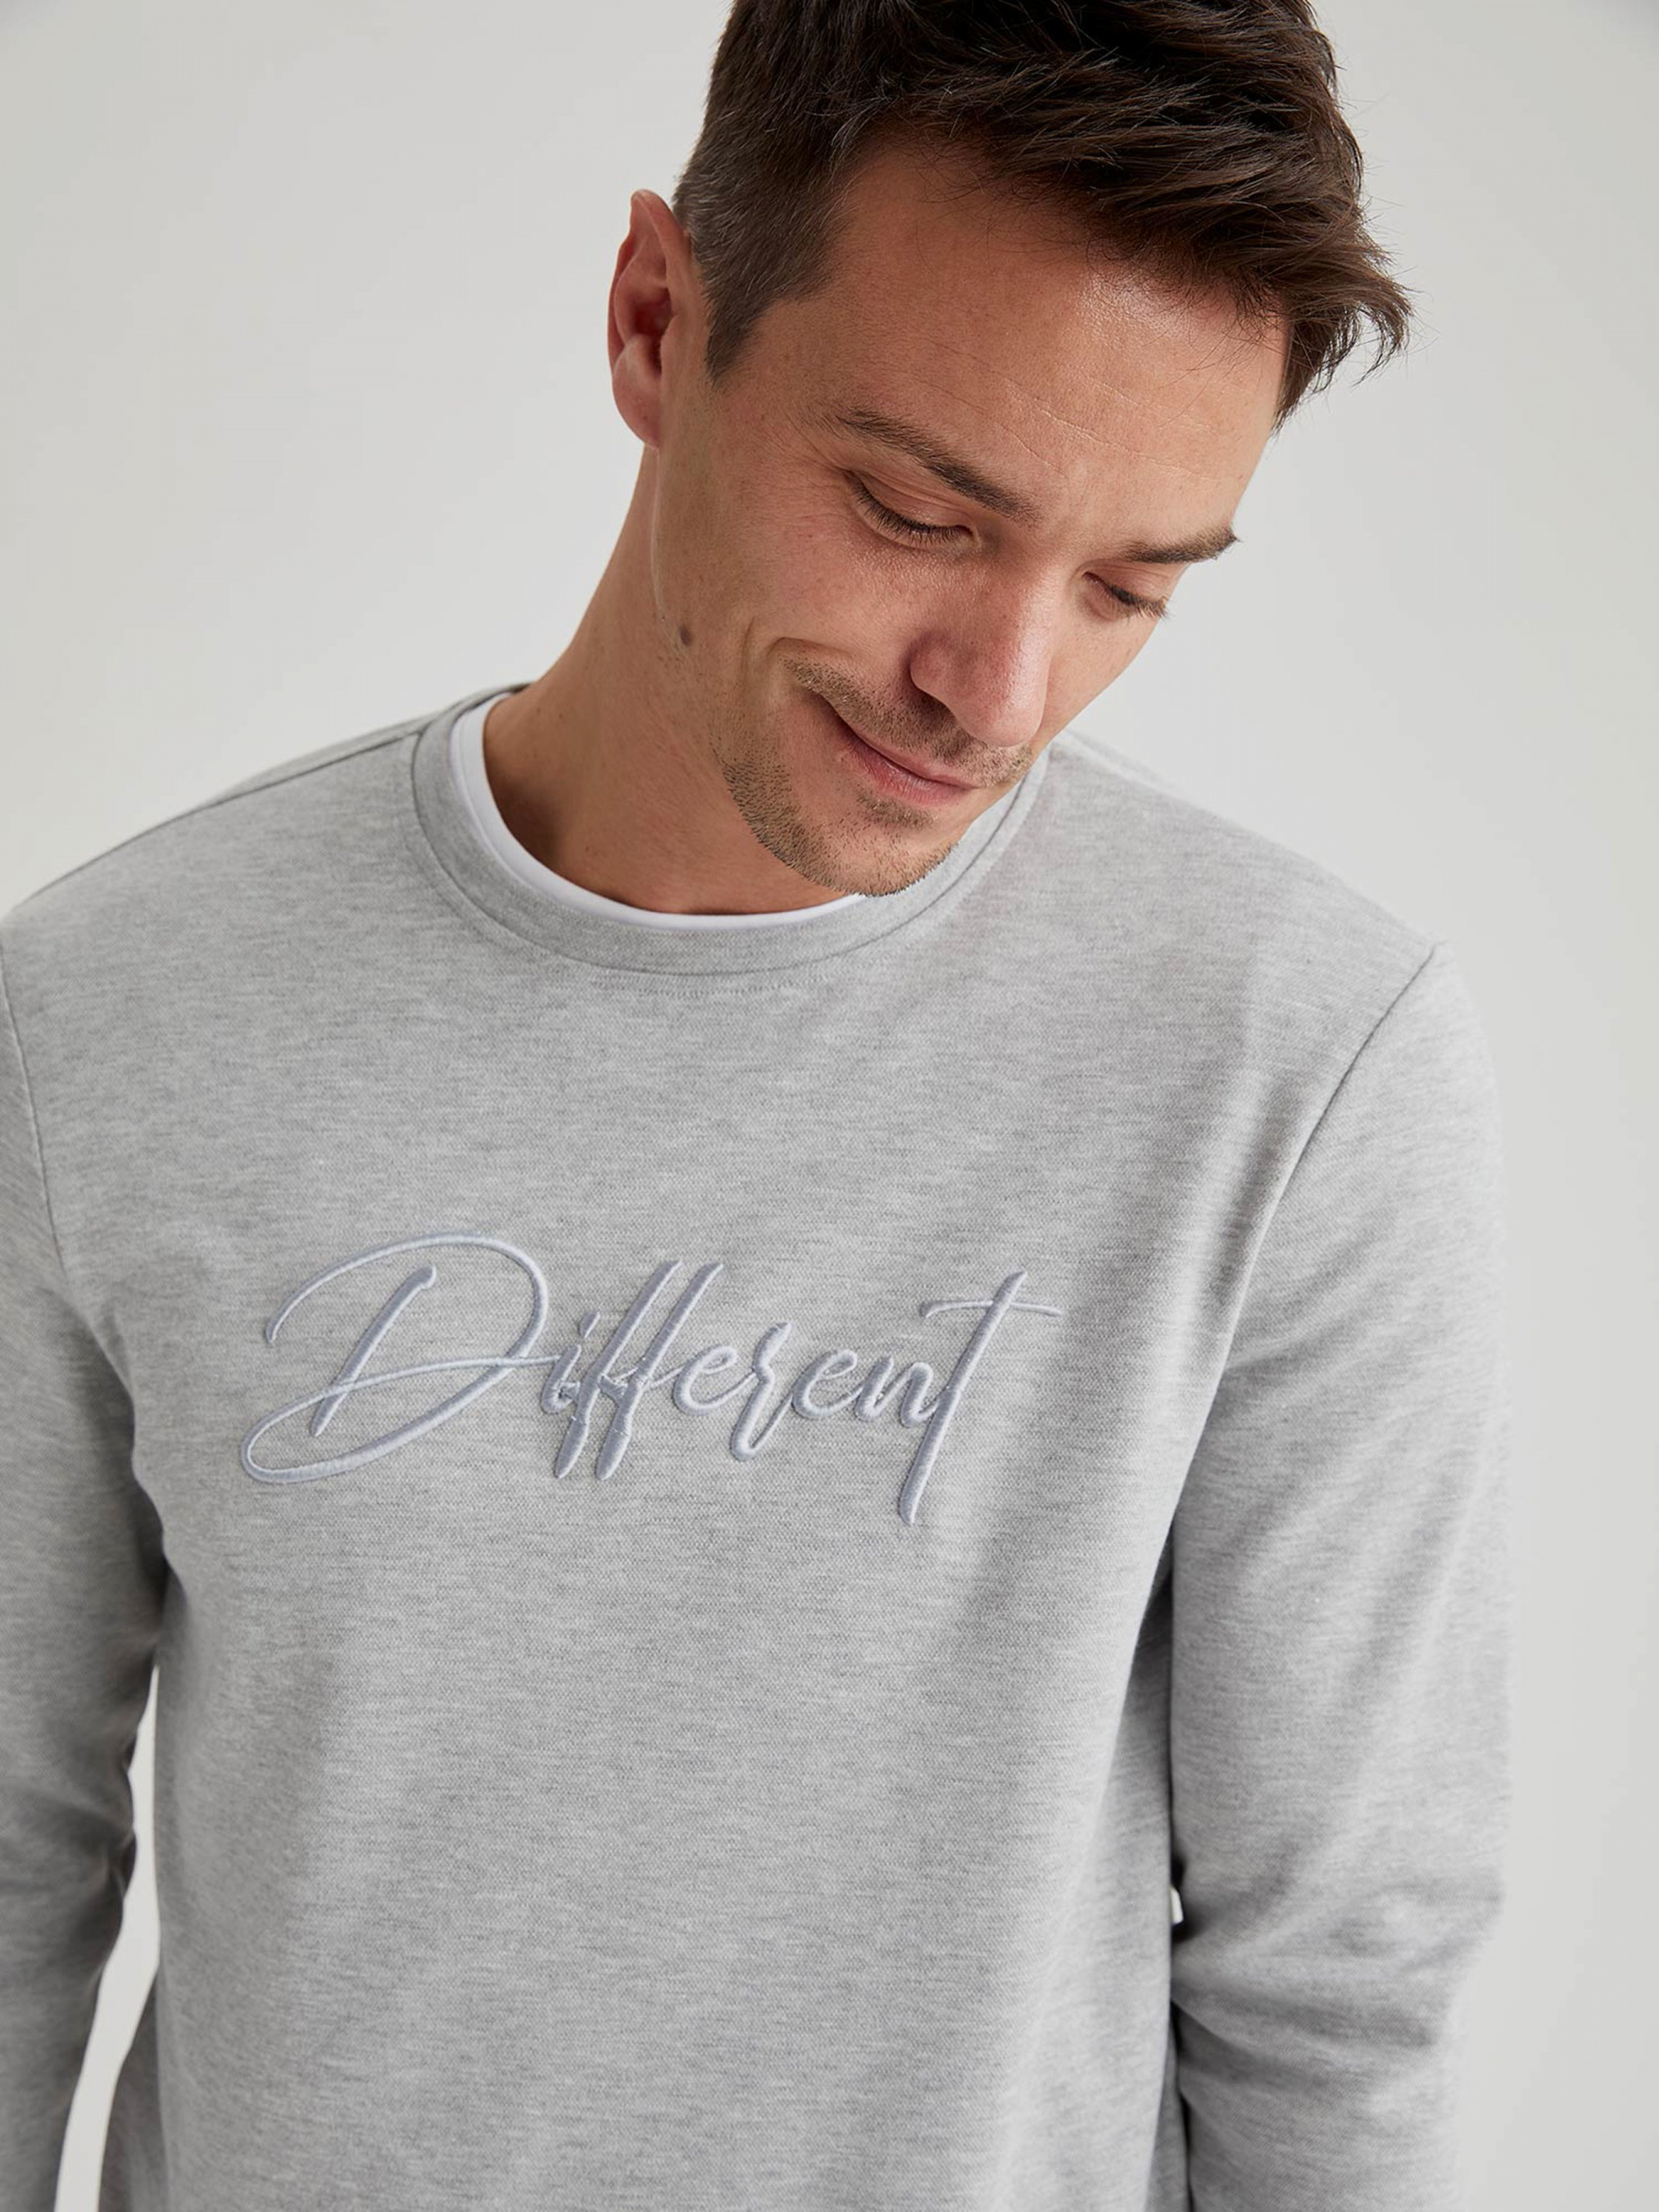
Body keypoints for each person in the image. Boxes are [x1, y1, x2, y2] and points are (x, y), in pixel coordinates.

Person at [0, 3, 1512, 2208]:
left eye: (1128, 585)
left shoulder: (1300, 1063)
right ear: (653, 320)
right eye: (916, 510)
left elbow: (1340, 1983)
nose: (998, 691)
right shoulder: (115, 1014)